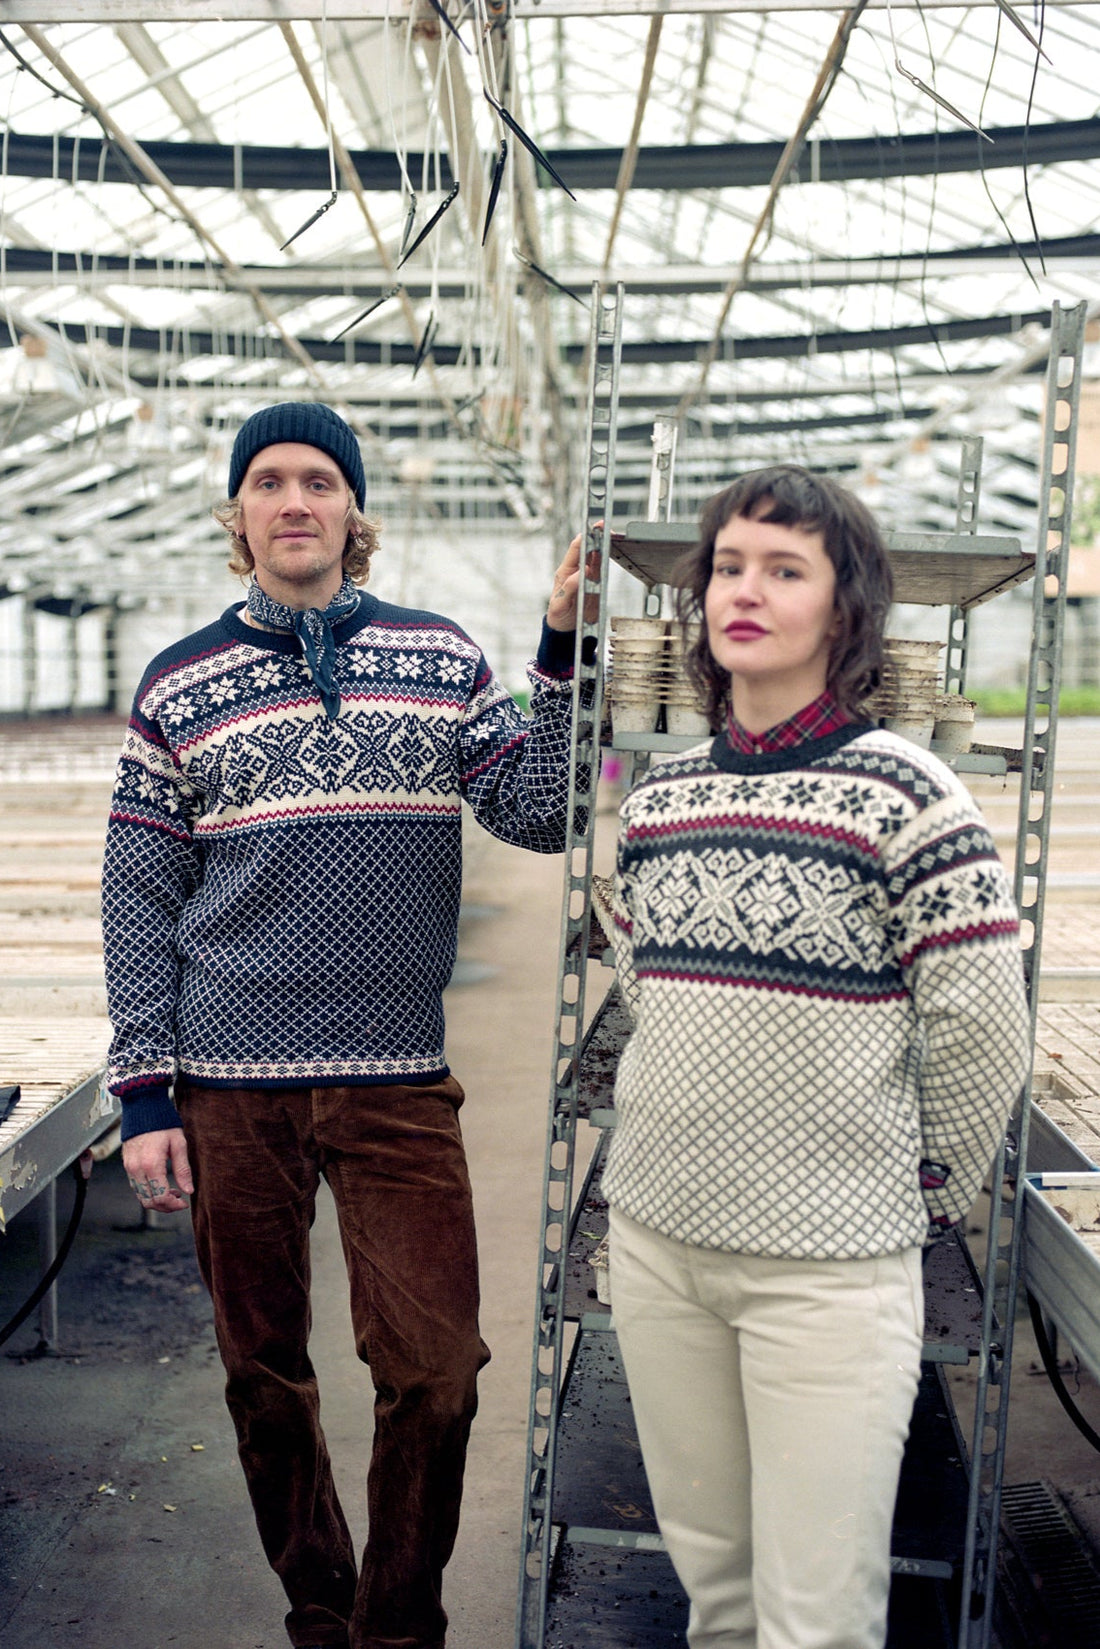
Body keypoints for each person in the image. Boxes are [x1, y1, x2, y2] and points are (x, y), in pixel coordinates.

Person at [101, 400, 591, 1649]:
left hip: (392, 1080)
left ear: (353, 511)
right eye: (269, 479)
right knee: (266, 1377)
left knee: (435, 1367)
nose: (295, 499)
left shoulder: (439, 659)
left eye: (319, 478)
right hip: (226, 1080)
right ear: (240, 514)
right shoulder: (179, 684)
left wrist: (560, 649)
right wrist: (146, 1090)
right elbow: (139, 889)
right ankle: (319, 1609)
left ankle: (394, 1623)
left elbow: (537, 814)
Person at [603, 464, 1031, 1649]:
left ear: (843, 610)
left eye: (783, 569)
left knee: (816, 1617)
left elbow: (983, 1026)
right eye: (726, 567)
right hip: (656, 1249)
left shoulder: (908, 793)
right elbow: (646, 981)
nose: (743, 589)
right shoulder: (660, 798)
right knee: (719, 1597)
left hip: (826, 1272)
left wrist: (912, 1185)